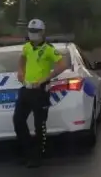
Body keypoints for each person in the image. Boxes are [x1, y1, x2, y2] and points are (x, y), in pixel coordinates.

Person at [14, 19, 67, 168]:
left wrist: (45, 78)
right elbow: (22, 59)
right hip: (26, 89)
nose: (33, 34)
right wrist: (20, 71)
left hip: (40, 90)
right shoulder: (26, 47)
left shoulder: (49, 49)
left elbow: (62, 65)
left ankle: (38, 155)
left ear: (43, 32)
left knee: (39, 124)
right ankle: (27, 152)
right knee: (18, 120)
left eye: (36, 31)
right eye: (31, 31)